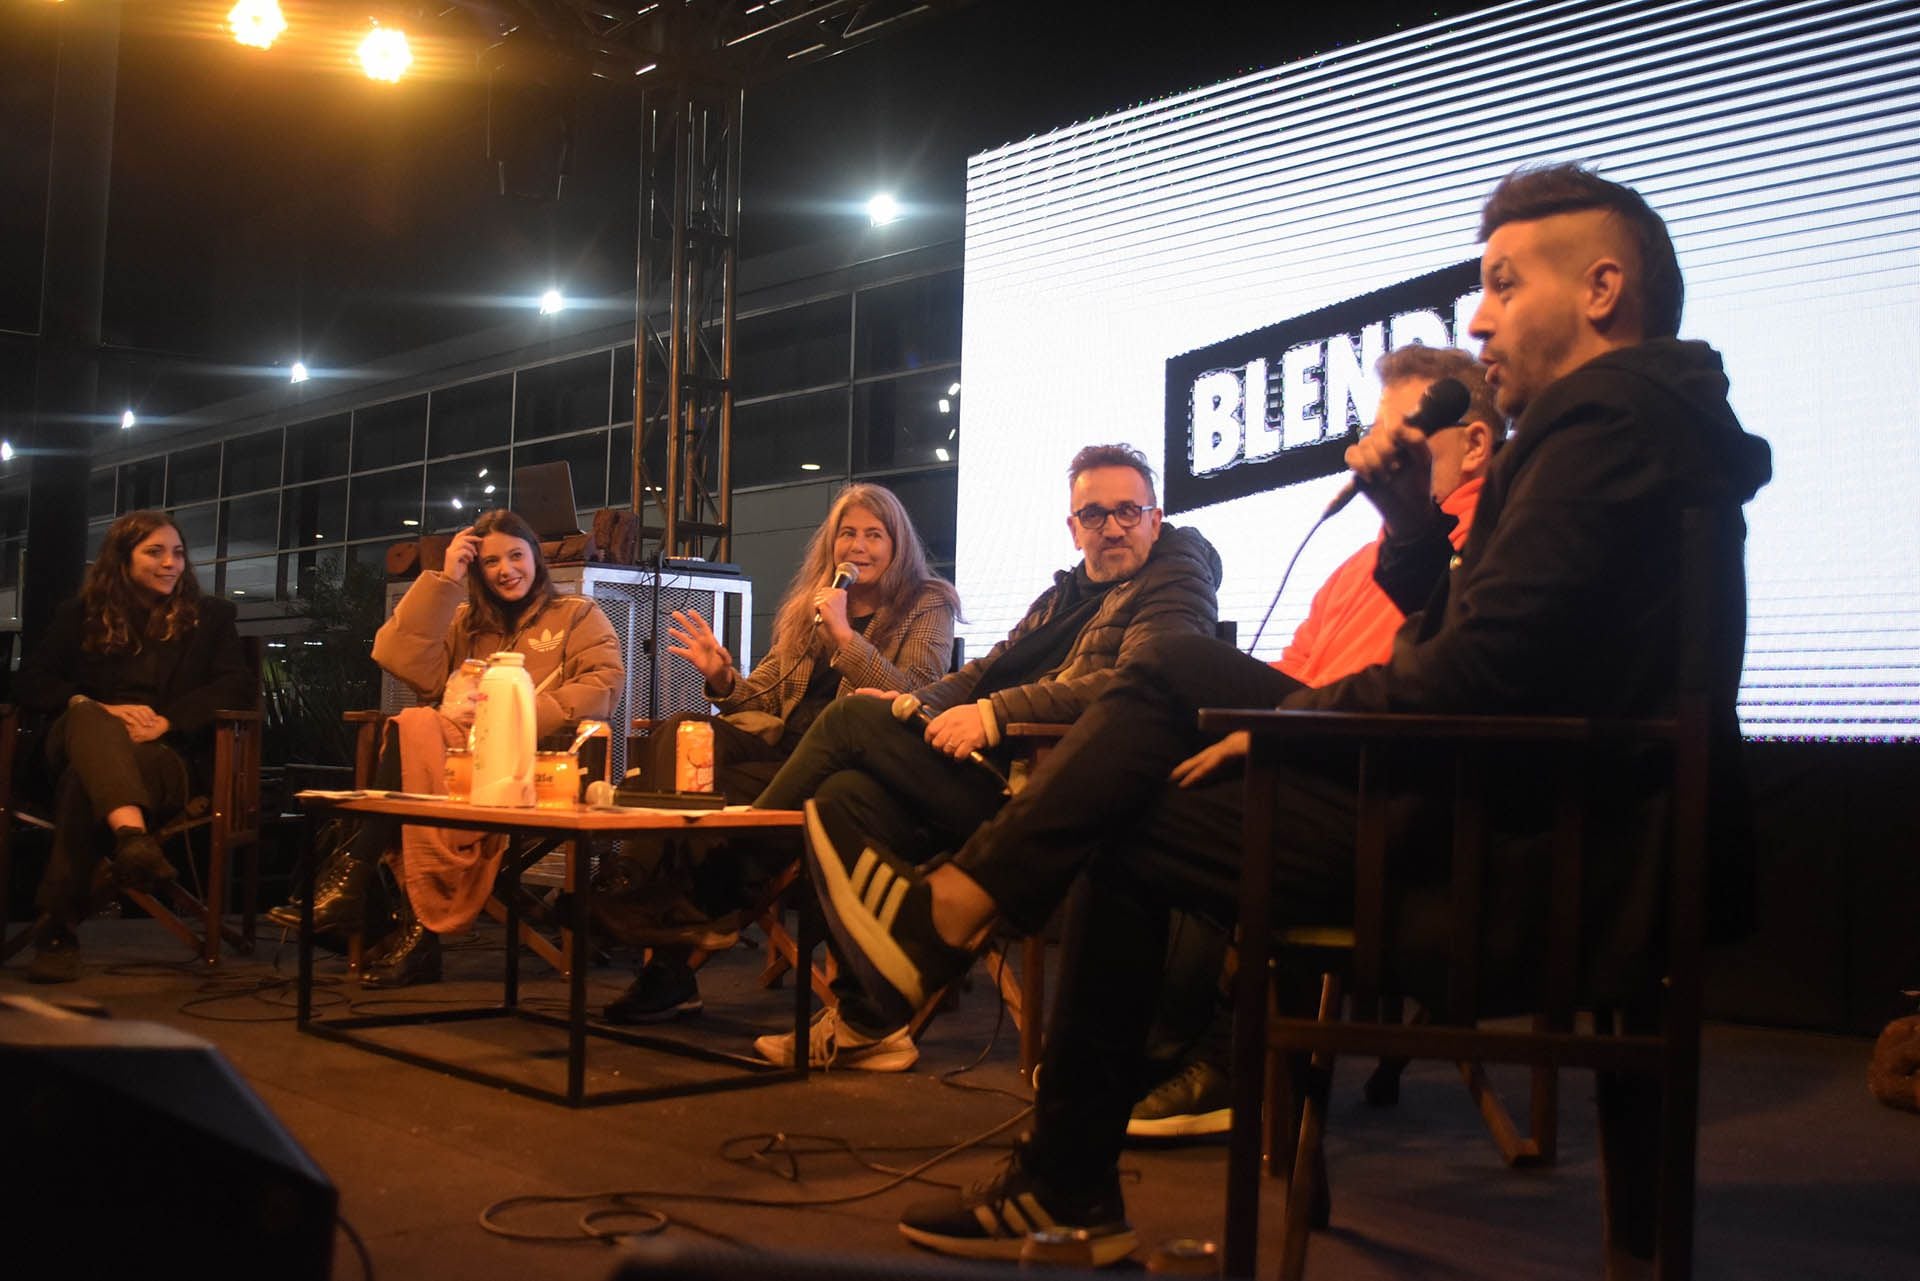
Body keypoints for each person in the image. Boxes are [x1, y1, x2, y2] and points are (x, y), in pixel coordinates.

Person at [804, 162, 1771, 1262]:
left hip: (1508, 855)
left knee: (1132, 799)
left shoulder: (1603, 424)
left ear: (1603, 289)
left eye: (1504, 283)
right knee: (1173, 669)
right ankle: (969, 940)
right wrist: (1412, 530)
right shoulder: (1644, 420)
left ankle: (1007, 1045)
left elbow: (1477, 674)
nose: (1479, 315)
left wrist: (1278, 728)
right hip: (1528, 818)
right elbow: (1497, 648)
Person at [746, 443, 1223, 1073]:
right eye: (1094, 515)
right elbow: (982, 672)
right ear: (1073, 526)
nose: (1111, 528)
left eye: (1128, 512)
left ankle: (728, 882)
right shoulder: (1063, 596)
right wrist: (910, 703)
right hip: (983, 766)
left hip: (1044, 787)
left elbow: (1141, 680)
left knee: (847, 721)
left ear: (1155, 519)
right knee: (841, 798)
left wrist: (994, 716)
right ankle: (871, 1022)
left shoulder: (1175, 575)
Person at [1131, 343, 1501, 1139]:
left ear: (1474, 444)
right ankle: (1160, 1053)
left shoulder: (1491, 548)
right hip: (1307, 751)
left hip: (1385, 794)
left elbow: (1416, 691)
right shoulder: (1353, 568)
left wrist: (1276, 737)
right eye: (1374, 434)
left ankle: (1227, 1063)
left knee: (1178, 695)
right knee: (1167, 752)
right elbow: (1292, 670)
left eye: (1402, 436)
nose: (1372, 457)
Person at [596, 482, 960, 1024]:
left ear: (898, 544)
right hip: (782, 743)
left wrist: (846, 638)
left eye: (874, 535)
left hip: (852, 759)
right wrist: (722, 677)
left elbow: (917, 691)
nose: (858, 547)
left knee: (734, 793)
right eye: (848, 534)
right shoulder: (810, 604)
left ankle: (673, 952)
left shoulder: (926, 603)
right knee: (682, 734)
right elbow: (765, 691)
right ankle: (633, 882)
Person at [283, 508, 621, 988]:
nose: (506, 570)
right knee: (415, 729)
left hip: (539, 763)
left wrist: (512, 713)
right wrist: (443, 579)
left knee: (412, 739)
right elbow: (397, 657)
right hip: (455, 770)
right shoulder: (466, 623)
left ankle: (362, 886)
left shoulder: (577, 615)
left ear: (536, 559)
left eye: (516, 556)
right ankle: (402, 924)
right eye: (490, 562)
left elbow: (604, 685)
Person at [13, 510, 255, 984]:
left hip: (160, 757)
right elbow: (30, 681)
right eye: (155, 552)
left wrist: (166, 722)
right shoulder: (77, 615)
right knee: (89, 720)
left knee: (81, 784)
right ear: (121, 560)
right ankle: (133, 842)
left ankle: (61, 927)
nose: (171, 563)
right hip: (75, 735)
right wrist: (90, 704)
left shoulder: (211, 619)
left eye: (178, 553)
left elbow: (236, 687)